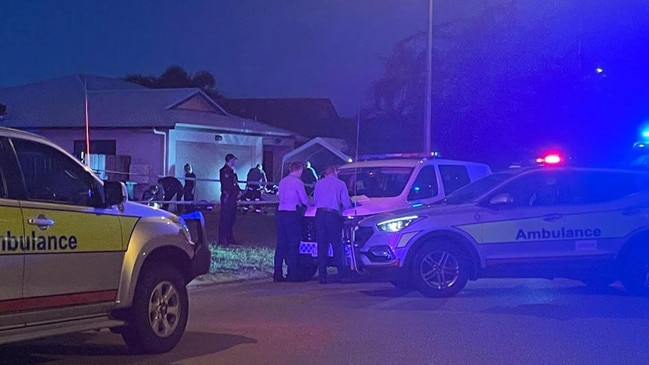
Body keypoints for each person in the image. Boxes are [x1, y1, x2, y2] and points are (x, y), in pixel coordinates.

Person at [313, 165, 352, 284]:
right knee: (336, 245)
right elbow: (346, 202)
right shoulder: (340, 184)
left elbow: (315, 200)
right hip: (332, 215)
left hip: (319, 215)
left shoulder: (319, 183)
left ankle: (322, 276)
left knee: (321, 245)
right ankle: (341, 274)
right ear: (335, 172)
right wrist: (352, 206)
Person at [275, 161, 312, 282]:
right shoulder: (298, 182)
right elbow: (303, 199)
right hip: (292, 214)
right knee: (293, 244)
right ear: (299, 170)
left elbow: (280, 197)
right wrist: (310, 204)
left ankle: (277, 273)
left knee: (281, 245)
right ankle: (292, 274)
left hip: (281, 213)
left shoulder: (283, 181)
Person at [218, 153, 243, 246]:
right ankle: (222, 238)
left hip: (232, 198)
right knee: (225, 219)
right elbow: (227, 186)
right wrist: (236, 192)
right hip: (227, 198)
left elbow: (235, 184)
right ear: (230, 160)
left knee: (231, 219)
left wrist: (239, 191)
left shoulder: (231, 171)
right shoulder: (224, 171)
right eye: (233, 160)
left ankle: (229, 238)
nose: (234, 162)